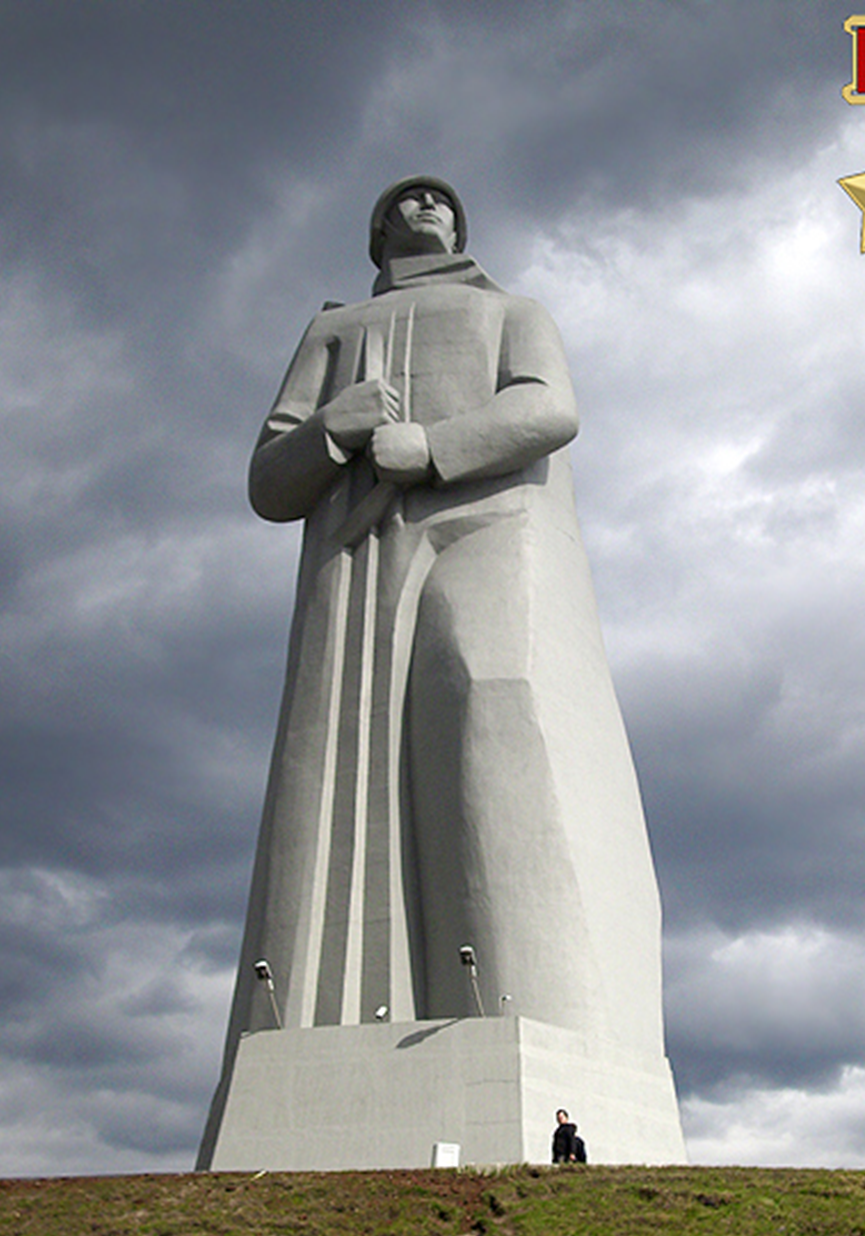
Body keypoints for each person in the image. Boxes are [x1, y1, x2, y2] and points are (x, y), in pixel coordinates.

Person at [214, 176, 668, 1058]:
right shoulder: (334, 330)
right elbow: (270, 482)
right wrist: (333, 429)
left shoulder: (516, 312)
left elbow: (549, 406)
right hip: (357, 567)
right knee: (340, 761)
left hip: (491, 528)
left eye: (440, 200)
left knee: (487, 700)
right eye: (406, 200)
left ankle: (538, 1012)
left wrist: (434, 447)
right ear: (378, 230)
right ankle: (321, 1017)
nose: (427, 206)